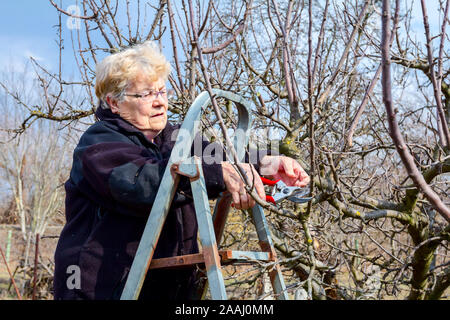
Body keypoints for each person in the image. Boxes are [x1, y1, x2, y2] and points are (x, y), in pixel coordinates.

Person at [53, 41, 310, 300]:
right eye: (146, 95)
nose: (159, 103)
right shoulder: (99, 145)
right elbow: (141, 183)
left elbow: (222, 156)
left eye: (162, 92)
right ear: (114, 103)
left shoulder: (175, 138)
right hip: (102, 290)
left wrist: (271, 164)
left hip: (167, 290)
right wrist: (215, 173)